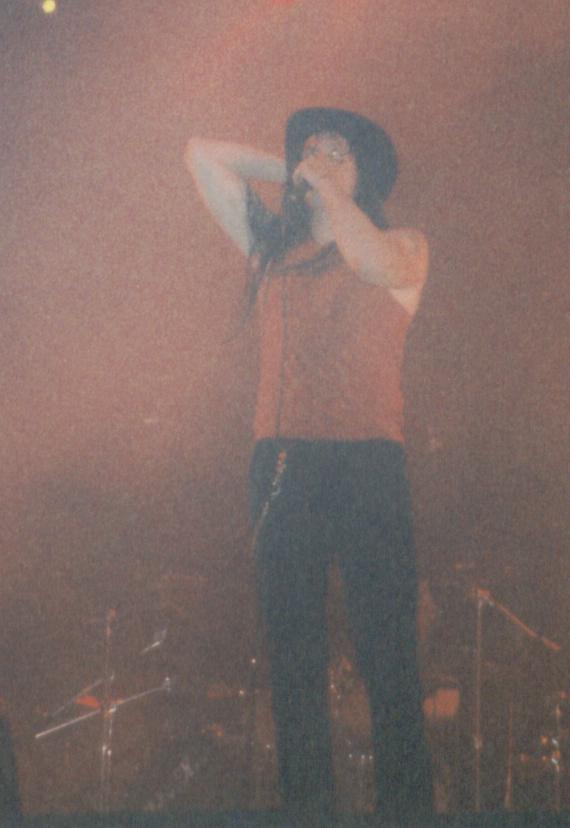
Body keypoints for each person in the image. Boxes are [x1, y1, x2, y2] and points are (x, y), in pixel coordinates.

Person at [185, 107, 433, 824]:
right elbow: (201, 152)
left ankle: (407, 811)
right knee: (293, 660)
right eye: (314, 147)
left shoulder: (404, 245)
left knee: (387, 653)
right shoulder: (272, 249)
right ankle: (307, 812)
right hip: (283, 464)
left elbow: (372, 263)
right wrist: (293, 170)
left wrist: (331, 187)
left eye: (339, 150)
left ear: (366, 173)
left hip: (367, 466)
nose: (322, 155)